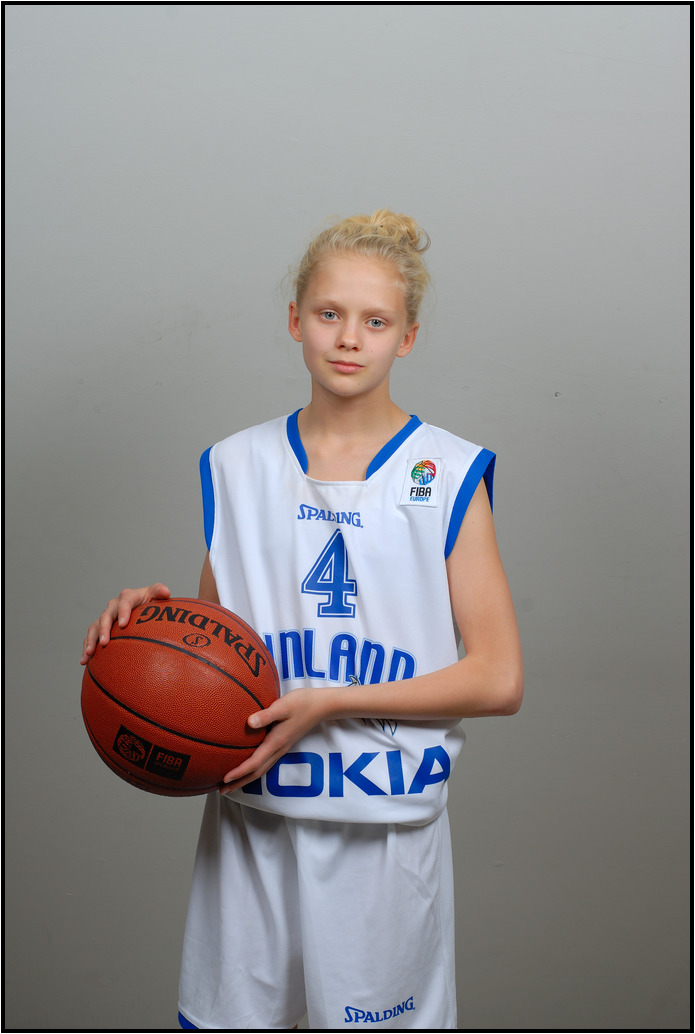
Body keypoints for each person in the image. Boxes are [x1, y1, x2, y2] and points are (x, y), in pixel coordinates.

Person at [81, 210, 523, 1031]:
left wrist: (332, 701)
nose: (349, 338)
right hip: (253, 830)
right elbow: (219, 649)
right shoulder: (235, 464)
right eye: (328, 314)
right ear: (294, 320)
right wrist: (155, 625)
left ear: (407, 338)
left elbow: (497, 679)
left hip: (381, 838)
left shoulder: (445, 472)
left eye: (375, 321)